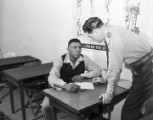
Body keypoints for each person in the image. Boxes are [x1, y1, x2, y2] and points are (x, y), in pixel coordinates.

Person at [82, 17, 153, 120]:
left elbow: (115, 70)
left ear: (96, 31)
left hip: (146, 72)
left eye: (90, 36)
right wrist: (105, 79)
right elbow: (112, 63)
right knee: (138, 107)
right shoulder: (112, 30)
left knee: (129, 112)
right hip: (145, 68)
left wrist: (109, 94)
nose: (91, 39)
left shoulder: (113, 38)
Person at [41, 38, 102, 120]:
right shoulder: (59, 59)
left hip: (77, 89)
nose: (78, 50)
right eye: (74, 47)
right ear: (68, 49)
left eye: (80, 47)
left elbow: (98, 70)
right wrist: (65, 85)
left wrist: (84, 76)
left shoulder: (84, 58)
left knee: (91, 103)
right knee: (46, 106)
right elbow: (52, 78)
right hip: (60, 88)